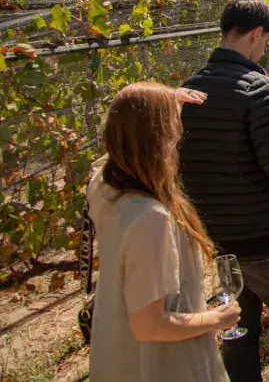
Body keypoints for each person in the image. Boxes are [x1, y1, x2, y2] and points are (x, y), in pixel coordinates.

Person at [179, 0, 269, 382]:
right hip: (267, 237)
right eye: (267, 42)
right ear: (257, 33)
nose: (264, 51)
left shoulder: (188, 90)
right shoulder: (259, 89)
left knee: (239, 331)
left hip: (220, 242)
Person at [88, 82, 239, 382]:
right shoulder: (150, 218)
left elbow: (119, 141)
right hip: (160, 365)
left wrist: (164, 100)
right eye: (172, 128)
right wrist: (215, 318)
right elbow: (149, 325)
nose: (177, 136)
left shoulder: (103, 186)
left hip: (118, 356)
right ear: (157, 139)